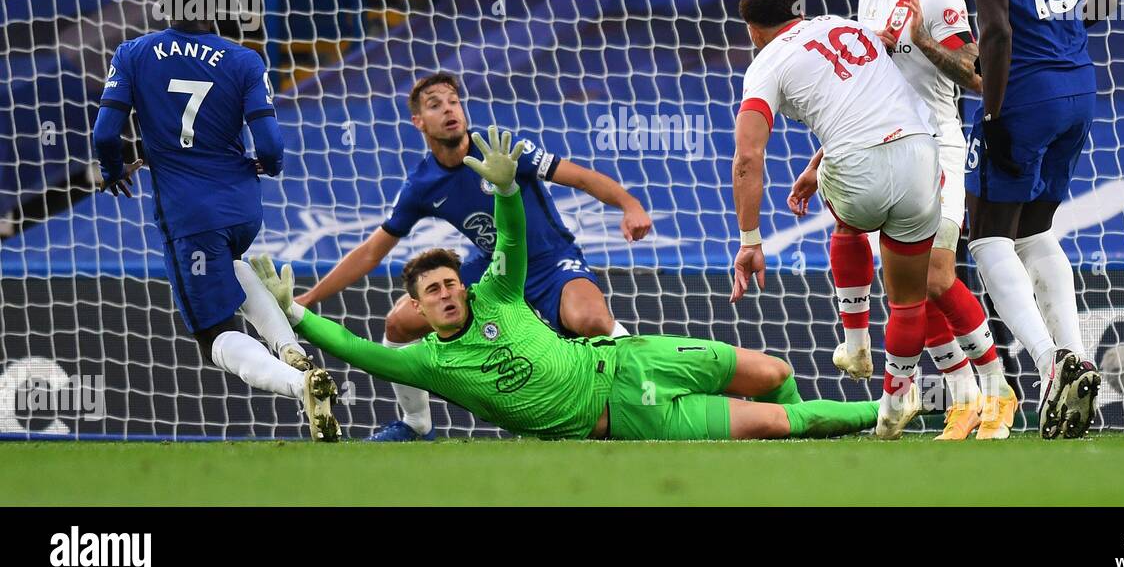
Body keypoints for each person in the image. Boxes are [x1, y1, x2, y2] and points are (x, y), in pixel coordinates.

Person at [250, 127, 883, 441]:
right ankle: (896, 414)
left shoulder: (498, 289)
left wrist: (504, 190)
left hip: (631, 357)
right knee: (771, 422)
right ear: (421, 303)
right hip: (627, 417)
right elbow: (359, 350)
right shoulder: (429, 363)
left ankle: (815, 435)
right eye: (432, 291)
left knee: (773, 372)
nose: (445, 294)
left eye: (450, 284)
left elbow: (515, 242)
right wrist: (301, 314)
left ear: (465, 288)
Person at [295, 72, 653, 440]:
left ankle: (645, 394)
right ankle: (416, 423)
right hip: (494, 271)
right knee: (399, 322)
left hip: (551, 262)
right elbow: (372, 252)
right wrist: (308, 299)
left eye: (453, 101)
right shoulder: (422, 184)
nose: (449, 110)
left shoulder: (501, 150)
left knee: (590, 319)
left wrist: (630, 205)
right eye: (435, 105)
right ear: (418, 121)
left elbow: (579, 178)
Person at [787, 0, 1017, 441]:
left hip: (936, 149)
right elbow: (867, 90)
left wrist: (920, 38)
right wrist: (822, 158)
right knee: (905, 286)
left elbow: (976, 75)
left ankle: (998, 390)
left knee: (936, 277)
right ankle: (963, 400)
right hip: (880, 150)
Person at [92, 0, 339, 441]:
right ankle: (289, 347)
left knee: (213, 335)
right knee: (233, 263)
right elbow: (270, 147)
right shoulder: (245, 60)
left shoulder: (133, 54)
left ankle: (298, 385)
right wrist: (269, 166)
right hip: (243, 207)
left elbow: (105, 134)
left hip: (190, 214)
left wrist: (113, 168)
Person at [958, 0, 1116, 438]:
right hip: (1079, 88)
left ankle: (1051, 368)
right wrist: (1066, 37)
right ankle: (1075, 361)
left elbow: (996, 31)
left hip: (1023, 96)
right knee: (1038, 229)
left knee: (988, 238)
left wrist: (993, 113)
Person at [729, 0, 941, 439]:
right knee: (908, 301)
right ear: (798, 11)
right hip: (922, 157)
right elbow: (867, 106)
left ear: (754, 30)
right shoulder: (850, 25)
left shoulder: (767, 61)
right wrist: (816, 166)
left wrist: (750, 240)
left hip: (856, 169)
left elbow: (748, 158)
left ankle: (856, 344)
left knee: (849, 225)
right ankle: (894, 401)